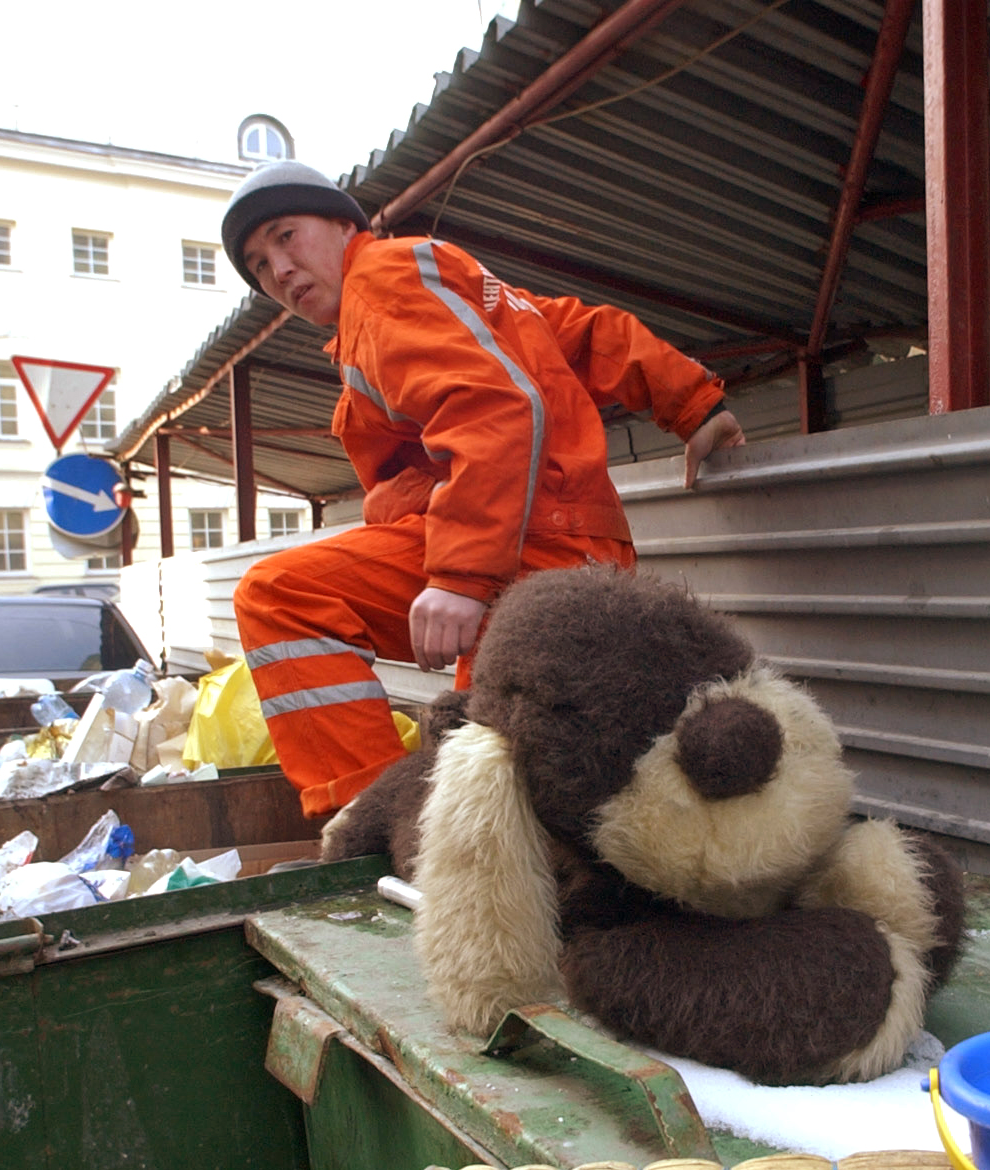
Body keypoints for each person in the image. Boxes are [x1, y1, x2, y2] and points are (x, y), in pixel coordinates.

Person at [221, 161, 747, 817]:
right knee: (288, 598)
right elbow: (585, 334)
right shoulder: (447, 291)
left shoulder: (383, 280)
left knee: (493, 792)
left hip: (533, 544)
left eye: (285, 236)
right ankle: (384, 822)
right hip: (530, 535)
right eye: (260, 266)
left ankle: (378, 823)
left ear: (341, 223)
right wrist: (693, 404)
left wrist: (460, 577)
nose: (280, 271)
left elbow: (492, 407)